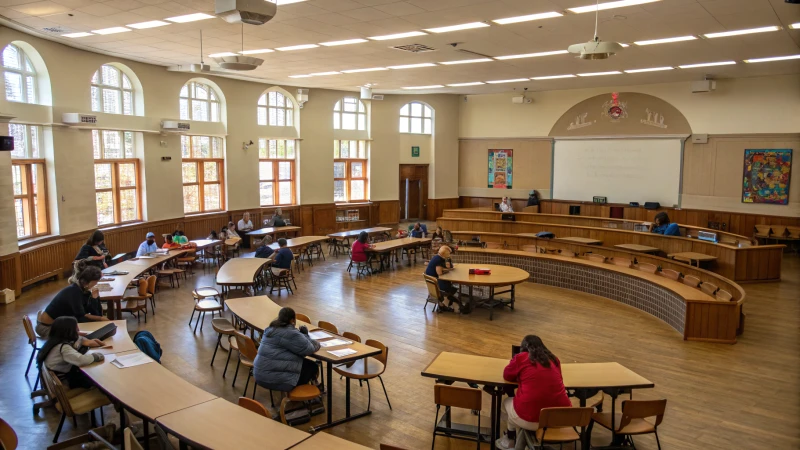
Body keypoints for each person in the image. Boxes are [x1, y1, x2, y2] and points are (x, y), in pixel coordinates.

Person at [496, 335, 572, 450]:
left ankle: (510, 439)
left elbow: (507, 375)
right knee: (525, 410)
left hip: (529, 417)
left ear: (523, 349)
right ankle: (522, 440)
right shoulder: (554, 359)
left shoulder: (521, 358)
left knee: (506, 403)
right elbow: (560, 379)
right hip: (558, 419)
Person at [253, 307, 321, 393]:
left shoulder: (270, 329)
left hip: (259, 374)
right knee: (312, 367)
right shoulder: (291, 333)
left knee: (304, 363)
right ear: (292, 320)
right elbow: (309, 348)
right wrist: (310, 338)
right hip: (273, 379)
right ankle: (305, 395)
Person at [36, 260, 109, 337]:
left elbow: (93, 313)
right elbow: (81, 318)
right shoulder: (74, 292)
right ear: (87, 282)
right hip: (47, 328)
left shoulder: (84, 290)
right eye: (95, 282)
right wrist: (100, 319)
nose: (96, 284)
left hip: (60, 326)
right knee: (78, 338)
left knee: (85, 334)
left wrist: (95, 299)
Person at [36, 316, 105, 389]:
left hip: (53, 381)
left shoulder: (53, 341)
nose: (78, 330)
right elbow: (82, 360)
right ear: (69, 331)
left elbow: (77, 341)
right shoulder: (63, 347)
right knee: (97, 382)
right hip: (62, 384)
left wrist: (82, 340)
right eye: (76, 328)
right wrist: (96, 356)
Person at [424, 246, 460, 313]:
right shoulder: (439, 260)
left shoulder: (437, 257)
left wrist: (446, 269)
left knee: (450, 285)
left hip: (432, 283)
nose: (450, 254)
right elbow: (439, 273)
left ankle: (443, 304)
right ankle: (447, 303)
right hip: (435, 284)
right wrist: (447, 271)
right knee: (451, 288)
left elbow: (440, 269)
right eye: (449, 253)